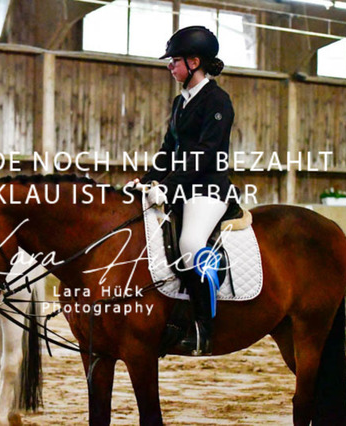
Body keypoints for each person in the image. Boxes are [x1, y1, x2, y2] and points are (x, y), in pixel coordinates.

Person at [130, 26, 236, 354]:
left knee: (190, 243)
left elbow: (207, 153)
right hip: (180, 189)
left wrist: (168, 186)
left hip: (208, 189)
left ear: (194, 62)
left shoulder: (217, 100)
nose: (170, 66)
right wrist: (145, 181)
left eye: (174, 61)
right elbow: (168, 151)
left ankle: (204, 328)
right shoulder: (180, 102)